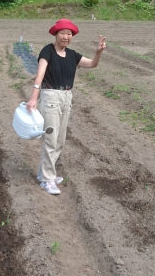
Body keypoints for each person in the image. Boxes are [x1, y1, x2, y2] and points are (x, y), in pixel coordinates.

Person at [26, 18, 106, 195]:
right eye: (62, 33)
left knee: (60, 140)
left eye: (69, 34)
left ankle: (45, 173)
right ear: (56, 34)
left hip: (66, 97)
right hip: (51, 97)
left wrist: (98, 52)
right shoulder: (48, 51)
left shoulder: (72, 55)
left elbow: (92, 64)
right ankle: (47, 180)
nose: (65, 36)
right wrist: (33, 98)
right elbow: (39, 75)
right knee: (50, 140)